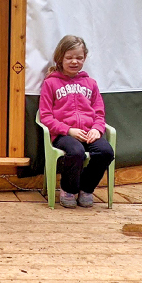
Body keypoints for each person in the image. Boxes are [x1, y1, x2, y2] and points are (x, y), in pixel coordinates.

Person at [38, 35, 114, 209]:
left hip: (88, 132)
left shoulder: (90, 83)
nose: (74, 62)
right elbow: (46, 116)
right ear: (60, 58)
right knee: (76, 151)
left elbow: (99, 113)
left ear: (84, 59)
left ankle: (86, 188)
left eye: (79, 58)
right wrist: (68, 130)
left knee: (106, 152)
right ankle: (68, 189)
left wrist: (97, 129)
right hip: (64, 134)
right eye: (69, 57)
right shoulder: (51, 83)